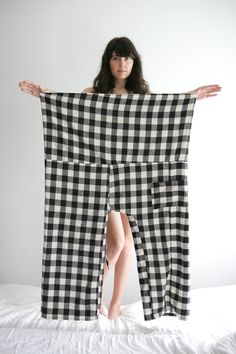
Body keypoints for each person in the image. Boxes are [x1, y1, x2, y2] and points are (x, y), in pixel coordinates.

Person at [19, 36, 221, 320]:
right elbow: (72, 115)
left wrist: (190, 97)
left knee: (127, 238)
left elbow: (163, 117)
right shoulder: (94, 93)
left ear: (134, 61)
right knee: (115, 242)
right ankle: (89, 299)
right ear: (108, 62)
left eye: (126, 58)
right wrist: (45, 94)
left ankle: (114, 305)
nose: (121, 63)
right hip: (101, 172)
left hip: (135, 174)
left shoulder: (142, 96)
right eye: (115, 58)